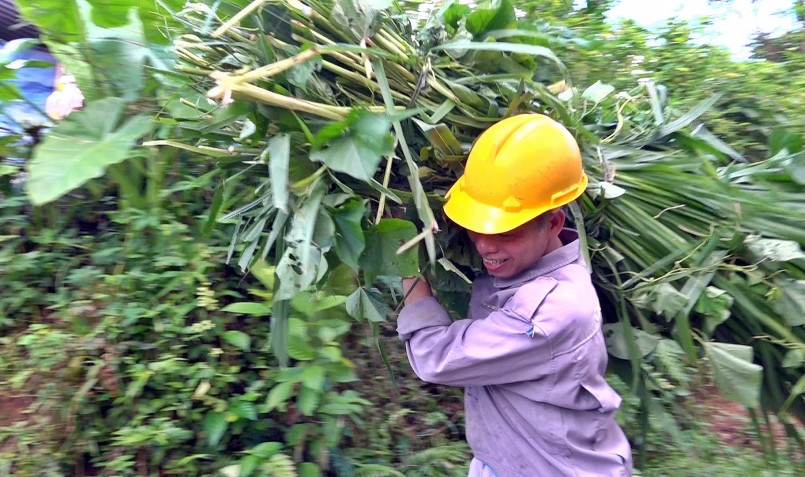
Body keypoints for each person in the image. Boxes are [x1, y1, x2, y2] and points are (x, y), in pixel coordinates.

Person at [397, 114, 633, 477]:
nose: (484, 245)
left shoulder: (549, 313)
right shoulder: (539, 254)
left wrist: (405, 263)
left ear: (553, 222)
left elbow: (436, 358)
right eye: (475, 226)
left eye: (506, 233)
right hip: (505, 459)